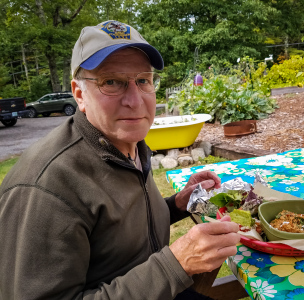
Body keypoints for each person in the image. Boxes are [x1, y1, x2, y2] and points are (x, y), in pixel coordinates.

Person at [0, 20, 240, 299]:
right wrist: (174, 265)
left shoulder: (127, 143)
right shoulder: (45, 188)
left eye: (143, 81)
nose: (135, 101)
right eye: (111, 82)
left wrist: (177, 204)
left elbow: (117, 226)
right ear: (79, 94)